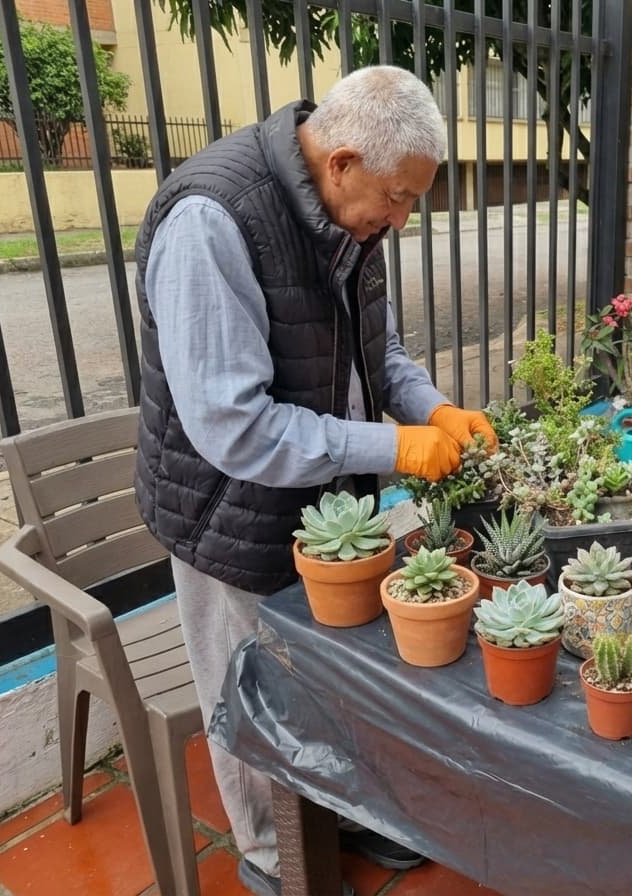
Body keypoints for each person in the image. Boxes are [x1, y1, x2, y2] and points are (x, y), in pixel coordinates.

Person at [133, 65, 496, 896]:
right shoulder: (212, 220)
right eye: (400, 198)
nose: (404, 220)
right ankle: (271, 852)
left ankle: (354, 810)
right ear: (340, 163)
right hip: (226, 512)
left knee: (337, 667)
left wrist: (435, 412)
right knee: (244, 691)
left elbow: (383, 356)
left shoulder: (355, 222)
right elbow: (236, 428)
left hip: (324, 504)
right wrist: (395, 451)